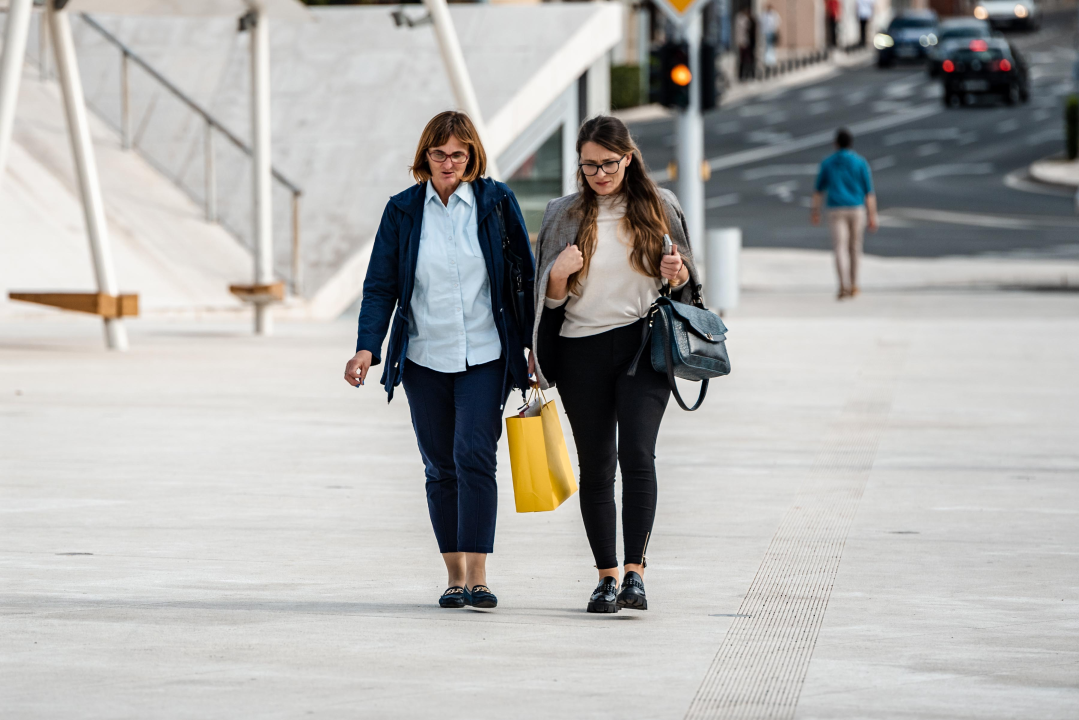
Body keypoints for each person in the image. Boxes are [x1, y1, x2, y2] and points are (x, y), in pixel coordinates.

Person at [343, 111, 535, 610]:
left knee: (475, 456)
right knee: (440, 466)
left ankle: (478, 576)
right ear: (424, 157)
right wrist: (368, 347)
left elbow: (524, 280)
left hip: (486, 354)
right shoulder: (404, 211)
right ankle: (453, 576)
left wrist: (533, 348)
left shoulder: (496, 203)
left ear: (472, 157)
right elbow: (381, 286)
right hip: (425, 357)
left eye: (458, 154)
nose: (448, 162)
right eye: (439, 153)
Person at [530, 116, 702, 614]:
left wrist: (677, 272)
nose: (600, 175)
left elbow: (688, 286)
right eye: (589, 166)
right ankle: (606, 576)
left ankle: (635, 573)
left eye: (608, 164)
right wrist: (559, 278)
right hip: (580, 350)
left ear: (628, 158)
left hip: (641, 348)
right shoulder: (563, 213)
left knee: (638, 455)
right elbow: (549, 303)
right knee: (597, 465)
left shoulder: (659, 206)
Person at [810, 128, 878, 299]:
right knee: (855, 248)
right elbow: (869, 192)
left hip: (835, 208)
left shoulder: (828, 163)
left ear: (836, 143)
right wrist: (872, 215)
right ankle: (854, 284)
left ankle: (842, 285)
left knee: (839, 248)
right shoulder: (860, 162)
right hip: (857, 208)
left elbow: (818, 190)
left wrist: (815, 211)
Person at [735, 8, 755, 81]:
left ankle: (742, 75)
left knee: (742, 59)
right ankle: (747, 74)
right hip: (744, 42)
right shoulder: (745, 20)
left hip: (742, 42)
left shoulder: (738, 19)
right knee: (746, 59)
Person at [761, 4, 781, 69]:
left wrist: (775, 30)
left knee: (771, 46)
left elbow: (778, 22)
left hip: (772, 32)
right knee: (767, 46)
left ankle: (771, 60)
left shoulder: (774, 14)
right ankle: (767, 60)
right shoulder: (764, 14)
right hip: (766, 32)